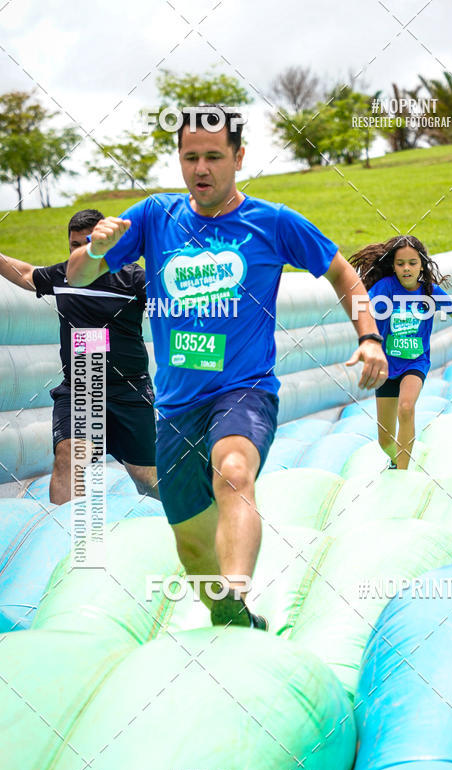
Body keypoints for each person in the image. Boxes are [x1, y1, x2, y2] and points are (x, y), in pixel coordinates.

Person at [67, 107, 388, 630]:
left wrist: (370, 337)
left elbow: (342, 274)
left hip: (244, 390)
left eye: (214, 156)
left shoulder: (273, 222)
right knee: (194, 552)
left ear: (238, 158)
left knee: (234, 472)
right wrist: (97, 250)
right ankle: (232, 614)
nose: (201, 169)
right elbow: (80, 275)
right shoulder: (154, 216)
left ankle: (239, 586)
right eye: (190, 157)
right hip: (175, 407)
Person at [0, 209, 159, 504]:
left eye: (87, 243)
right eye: (75, 245)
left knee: (147, 476)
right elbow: (23, 274)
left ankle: (191, 530)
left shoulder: (134, 278)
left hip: (129, 392)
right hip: (80, 390)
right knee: (68, 456)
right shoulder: (64, 276)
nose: (81, 251)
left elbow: (175, 307)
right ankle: (66, 545)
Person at [349, 235, 452, 470]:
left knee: (406, 407)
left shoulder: (430, 291)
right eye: (400, 263)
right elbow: (363, 314)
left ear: (422, 264)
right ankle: (395, 459)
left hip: (416, 362)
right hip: (386, 366)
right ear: (392, 265)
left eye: (412, 263)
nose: (406, 268)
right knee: (385, 441)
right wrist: (367, 341)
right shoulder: (384, 288)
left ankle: (403, 471)